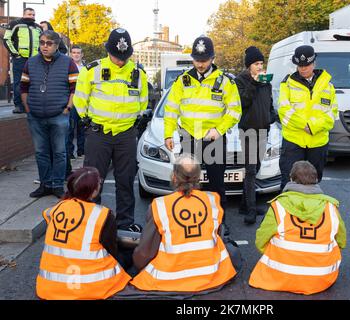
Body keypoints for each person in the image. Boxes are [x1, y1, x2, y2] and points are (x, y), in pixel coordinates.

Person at [73, 28, 148, 232]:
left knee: (125, 182)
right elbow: (80, 99)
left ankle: (125, 223)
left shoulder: (138, 73)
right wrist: (87, 122)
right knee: (92, 181)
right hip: (98, 134)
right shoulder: (92, 70)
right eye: (116, 56)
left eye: (124, 57)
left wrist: (136, 122)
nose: (120, 61)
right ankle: (90, 223)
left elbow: (143, 102)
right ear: (108, 51)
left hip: (125, 135)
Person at [164, 36, 242, 229]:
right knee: (187, 183)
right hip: (189, 137)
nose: (200, 64)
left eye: (204, 60)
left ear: (212, 58)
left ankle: (219, 223)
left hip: (213, 138)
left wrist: (219, 130)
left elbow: (234, 111)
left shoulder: (225, 82)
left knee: (216, 185)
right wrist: (167, 134)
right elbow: (171, 110)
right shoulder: (182, 81)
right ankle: (186, 221)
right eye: (197, 60)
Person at [131, 154, 237, 293]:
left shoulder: (160, 205)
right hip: (212, 275)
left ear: (174, 177)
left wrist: (136, 264)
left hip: (169, 279)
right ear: (198, 178)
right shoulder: (212, 200)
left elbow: (145, 253)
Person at [249, 161, 346, 295]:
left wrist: (275, 254)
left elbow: (261, 239)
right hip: (322, 277)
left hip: (282, 275)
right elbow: (342, 241)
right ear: (315, 180)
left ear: (291, 179)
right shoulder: (331, 207)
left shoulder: (279, 205)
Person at [36, 167, 131, 300]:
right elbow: (112, 249)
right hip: (90, 287)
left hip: (49, 288)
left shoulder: (56, 208)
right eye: (99, 182)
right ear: (93, 191)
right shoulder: (102, 214)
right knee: (128, 255)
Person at [21, 30, 79, 199]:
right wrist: (27, 108)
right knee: (41, 152)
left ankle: (57, 185)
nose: (44, 46)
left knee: (60, 152)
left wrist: (68, 108)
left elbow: (75, 89)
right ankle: (45, 185)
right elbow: (23, 87)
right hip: (36, 116)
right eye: (42, 42)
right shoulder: (30, 63)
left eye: (48, 43)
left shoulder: (68, 63)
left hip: (59, 116)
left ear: (56, 45)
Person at [278, 45, 338, 191]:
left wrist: (313, 127)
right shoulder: (287, 84)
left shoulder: (328, 86)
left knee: (314, 182)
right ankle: (287, 213)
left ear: (314, 63)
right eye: (300, 65)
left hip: (317, 143)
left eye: (306, 65)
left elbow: (332, 114)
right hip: (294, 143)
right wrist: (304, 125)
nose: (303, 68)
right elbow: (284, 111)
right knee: (289, 182)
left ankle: (310, 213)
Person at [235, 46, 278, 225]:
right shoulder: (241, 80)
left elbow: (269, 103)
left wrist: (271, 118)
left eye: (261, 63)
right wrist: (254, 82)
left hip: (263, 130)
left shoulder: (265, 81)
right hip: (248, 130)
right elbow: (242, 102)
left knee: (257, 167)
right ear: (249, 66)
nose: (260, 66)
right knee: (251, 170)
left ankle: (245, 204)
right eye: (256, 63)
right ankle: (251, 210)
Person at [3, 7, 42, 114]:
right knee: (19, 83)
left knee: (34, 83)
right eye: (29, 14)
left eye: (33, 15)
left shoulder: (38, 27)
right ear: (24, 14)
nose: (32, 16)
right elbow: (6, 39)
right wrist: (15, 54)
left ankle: (31, 105)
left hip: (35, 60)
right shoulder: (15, 24)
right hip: (20, 59)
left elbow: (42, 43)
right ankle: (19, 106)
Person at [67, 45, 85, 159]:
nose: (76, 54)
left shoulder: (86, 68)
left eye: (78, 52)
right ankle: (69, 153)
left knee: (82, 128)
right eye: (74, 52)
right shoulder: (66, 67)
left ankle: (81, 151)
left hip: (83, 102)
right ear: (70, 54)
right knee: (70, 128)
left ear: (82, 55)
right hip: (72, 102)